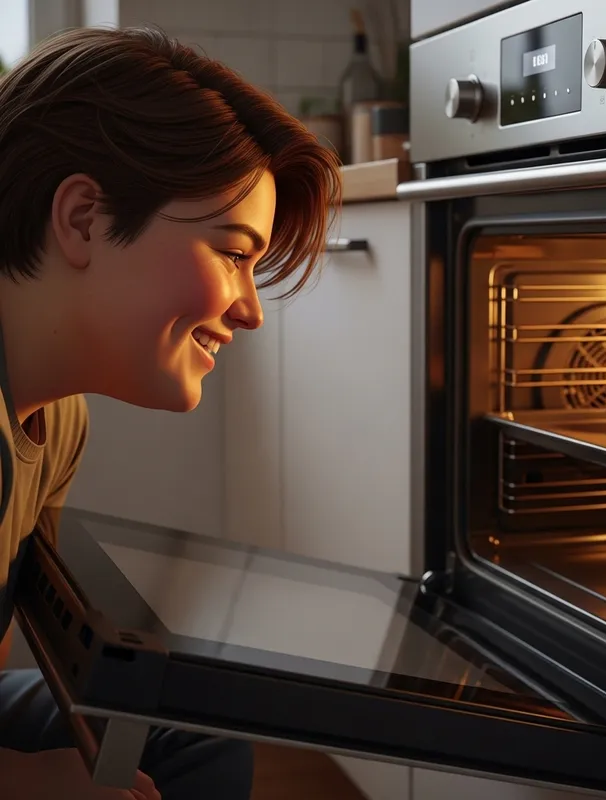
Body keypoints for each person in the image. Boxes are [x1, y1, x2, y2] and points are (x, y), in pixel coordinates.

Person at [0, 24, 341, 800]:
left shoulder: (58, 420)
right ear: (84, 217)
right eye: (232, 252)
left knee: (191, 740)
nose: (250, 310)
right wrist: (23, 782)